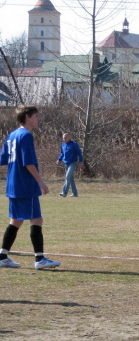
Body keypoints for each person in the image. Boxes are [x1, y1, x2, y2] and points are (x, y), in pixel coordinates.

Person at [0, 105, 61, 270]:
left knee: (16, 220)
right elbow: (28, 163)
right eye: (36, 116)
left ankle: (2, 256)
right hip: (25, 185)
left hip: (12, 185)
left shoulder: (12, 135)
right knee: (36, 219)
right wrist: (41, 182)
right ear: (27, 117)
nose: (38, 119)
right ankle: (39, 259)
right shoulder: (26, 135)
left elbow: (3, 160)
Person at [57, 133, 83, 197]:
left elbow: (79, 152)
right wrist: (59, 159)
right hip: (66, 163)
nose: (64, 139)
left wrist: (81, 161)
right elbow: (62, 154)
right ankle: (75, 193)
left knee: (67, 176)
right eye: (63, 138)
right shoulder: (63, 145)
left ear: (69, 137)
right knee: (70, 179)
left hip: (73, 163)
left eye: (66, 138)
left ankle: (64, 192)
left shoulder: (74, 144)